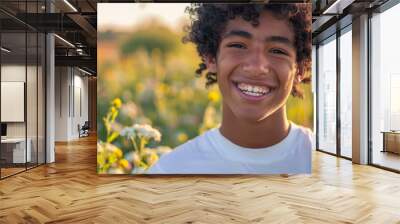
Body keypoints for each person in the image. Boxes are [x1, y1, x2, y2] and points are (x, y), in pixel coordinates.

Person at [148, 3, 312, 174]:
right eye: (238, 46)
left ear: (300, 68)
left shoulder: (331, 164)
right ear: (211, 57)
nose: (256, 67)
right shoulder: (170, 171)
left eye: (277, 51)